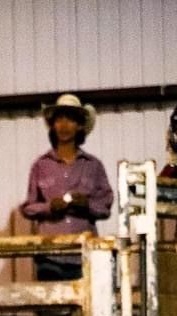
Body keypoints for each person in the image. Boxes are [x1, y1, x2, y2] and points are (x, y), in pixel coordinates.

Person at [21, 93, 113, 281]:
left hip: (84, 254)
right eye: (59, 119)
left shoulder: (93, 165)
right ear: (53, 125)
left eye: (70, 119)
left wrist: (86, 204)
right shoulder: (40, 165)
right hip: (49, 255)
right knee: (51, 307)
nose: (64, 125)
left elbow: (105, 206)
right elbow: (28, 207)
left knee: (87, 309)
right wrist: (49, 207)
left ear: (79, 125)